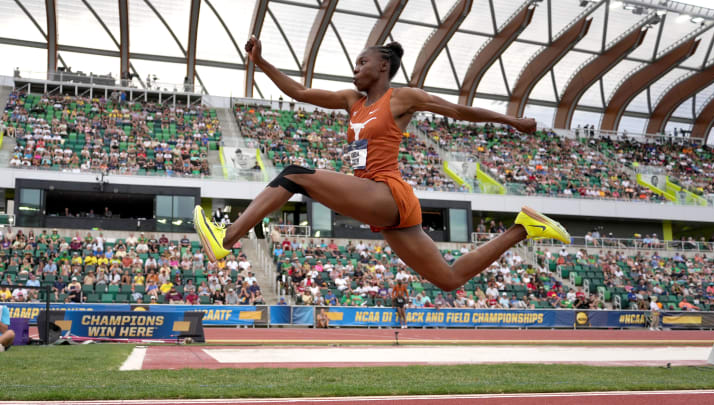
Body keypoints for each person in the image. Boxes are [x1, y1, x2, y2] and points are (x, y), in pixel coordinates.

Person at [193, 36, 569, 294]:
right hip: (379, 204)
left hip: (387, 193)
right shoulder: (350, 100)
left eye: (362, 62)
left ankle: (226, 237)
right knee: (449, 279)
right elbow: (300, 92)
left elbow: (457, 110)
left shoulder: (401, 98)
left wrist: (513, 121)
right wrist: (260, 61)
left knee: (294, 174)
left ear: (383, 65)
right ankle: (523, 228)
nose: (355, 68)